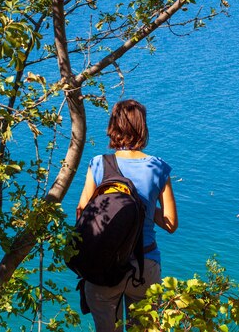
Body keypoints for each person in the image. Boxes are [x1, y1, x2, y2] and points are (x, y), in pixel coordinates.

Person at [76, 99, 178, 332]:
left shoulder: (99, 164)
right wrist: (145, 206)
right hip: (145, 265)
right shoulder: (158, 168)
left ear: (113, 126)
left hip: (104, 264)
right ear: (143, 128)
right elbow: (171, 224)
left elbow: (82, 212)